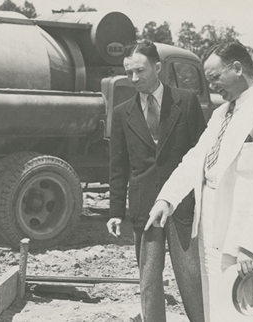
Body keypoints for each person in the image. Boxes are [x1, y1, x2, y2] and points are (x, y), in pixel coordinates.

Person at [145, 41, 253, 322]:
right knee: (212, 308)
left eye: (214, 78)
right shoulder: (221, 113)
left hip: (241, 239)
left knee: (241, 313)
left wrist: (251, 244)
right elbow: (195, 158)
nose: (212, 87)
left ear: (237, 68)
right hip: (209, 230)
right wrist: (167, 198)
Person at [106, 39, 206, 322]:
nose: (134, 78)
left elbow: (202, 154)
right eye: (129, 73)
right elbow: (118, 166)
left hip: (182, 205)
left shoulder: (185, 102)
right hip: (144, 207)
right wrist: (115, 212)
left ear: (158, 68)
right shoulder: (121, 113)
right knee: (149, 281)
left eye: (140, 71)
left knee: (191, 276)